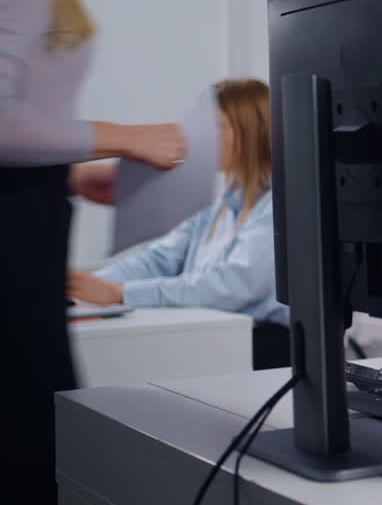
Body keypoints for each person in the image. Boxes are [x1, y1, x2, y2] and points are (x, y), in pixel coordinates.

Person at [1, 0, 186, 505]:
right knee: (28, 456)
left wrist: (70, 168)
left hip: (30, 216)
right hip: (16, 244)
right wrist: (124, 136)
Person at [68, 78, 291, 368]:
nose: (199, 137)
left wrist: (117, 293)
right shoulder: (219, 202)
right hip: (221, 333)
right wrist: (83, 287)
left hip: (267, 345)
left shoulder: (280, 205)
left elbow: (232, 286)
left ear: (251, 132)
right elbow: (158, 260)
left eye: (216, 127)